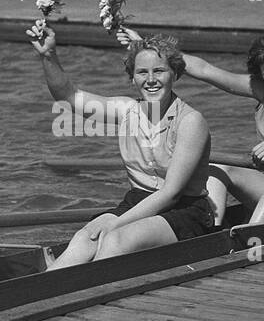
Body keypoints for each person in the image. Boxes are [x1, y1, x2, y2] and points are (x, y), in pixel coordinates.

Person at [29, 26, 214, 266]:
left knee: (115, 240)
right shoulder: (126, 110)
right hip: (136, 201)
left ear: (175, 74)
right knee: (84, 238)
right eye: (141, 73)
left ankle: (84, 293)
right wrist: (48, 56)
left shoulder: (191, 121)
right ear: (132, 77)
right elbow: (69, 97)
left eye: (159, 71)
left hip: (186, 211)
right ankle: (42, 291)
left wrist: (116, 223)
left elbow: (171, 193)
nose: (150, 80)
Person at [121, 28, 264, 224]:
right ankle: (211, 232)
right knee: (217, 169)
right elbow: (205, 70)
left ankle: (249, 237)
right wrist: (147, 48)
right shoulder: (262, 91)